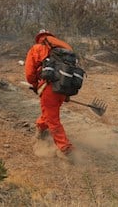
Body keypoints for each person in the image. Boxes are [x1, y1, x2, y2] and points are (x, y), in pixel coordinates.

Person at [24, 29, 74, 159]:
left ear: (39, 38)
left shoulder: (37, 48)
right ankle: (40, 129)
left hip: (49, 88)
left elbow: (29, 73)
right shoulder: (65, 47)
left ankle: (65, 148)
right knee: (49, 111)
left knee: (53, 119)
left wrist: (35, 85)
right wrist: (67, 94)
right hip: (64, 87)